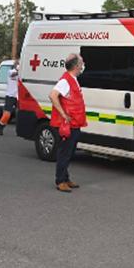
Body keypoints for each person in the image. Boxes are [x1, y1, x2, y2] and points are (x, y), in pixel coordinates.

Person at [48, 54, 87, 193]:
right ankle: (60, 180)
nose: (83, 65)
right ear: (76, 66)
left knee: (69, 152)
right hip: (67, 125)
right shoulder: (65, 81)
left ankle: (65, 177)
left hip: (75, 123)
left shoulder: (73, 79)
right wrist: (63, 114)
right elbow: (52, 95)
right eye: (81, 63)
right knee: (64, 152)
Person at [0, 65, 19, 136]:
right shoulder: (10, 72)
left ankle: (18, 130)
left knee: (19, 114)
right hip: (10, 96)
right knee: (7, 115)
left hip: (18, 97)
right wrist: (19, 71)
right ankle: (1, 126)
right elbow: (13, 74)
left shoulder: (20, 74)